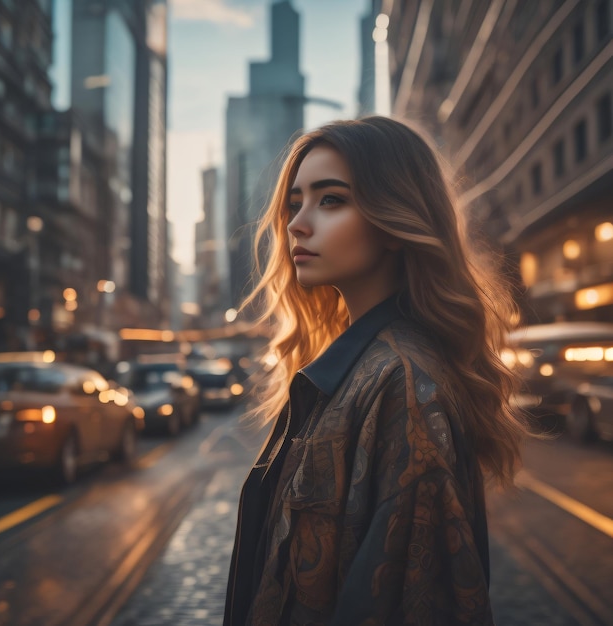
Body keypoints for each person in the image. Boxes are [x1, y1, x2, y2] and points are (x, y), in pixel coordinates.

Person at [223, 116, 530, 626]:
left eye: (331, 200)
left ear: (395, 219)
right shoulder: (358, 367)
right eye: (295, 202)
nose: (297, 223)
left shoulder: (403, 383)